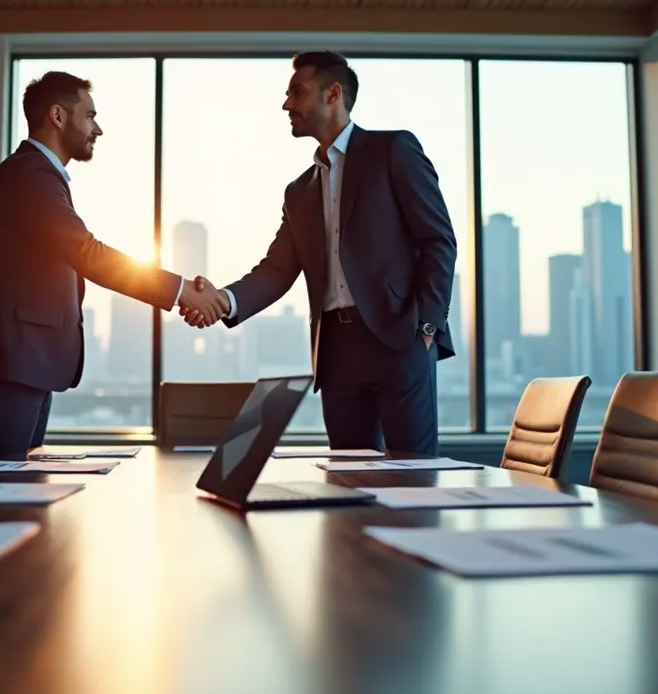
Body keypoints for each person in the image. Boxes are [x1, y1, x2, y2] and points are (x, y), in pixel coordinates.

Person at [0, 71, 228, 462]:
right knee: (0, 488)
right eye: (90, 116)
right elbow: (88, 254)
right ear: (58, 116)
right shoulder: (30, 176)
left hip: (21, 361)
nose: (98, 129)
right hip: (5, 362)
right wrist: (180, 290)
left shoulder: (38, 176)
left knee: (20, 487)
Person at [184, 51, 456, 456]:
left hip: (401, 342)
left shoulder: (393, 150)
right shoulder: (299, 191)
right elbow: (277, 270)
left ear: (333, 94)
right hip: (336, 351)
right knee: (348, 480)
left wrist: (427, 332)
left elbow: (439, 240)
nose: (286, 104)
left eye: (297, 92)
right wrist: (224, 300)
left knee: (413, 478)